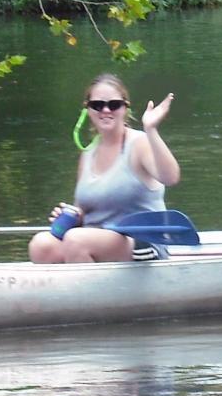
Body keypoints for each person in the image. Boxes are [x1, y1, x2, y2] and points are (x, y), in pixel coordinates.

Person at [28, 74, 180, 263]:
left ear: (125, 108)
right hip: (94, 240)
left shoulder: (139, 143)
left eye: (114, 104)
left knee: (76, 240)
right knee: (42, 245)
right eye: (97, 105)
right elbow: (82, 208)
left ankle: (87, 282)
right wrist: (72, 215)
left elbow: (171, 177)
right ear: (87, 110)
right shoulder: (88, 153)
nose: (106, 110)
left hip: (142, 243)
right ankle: (71, 282)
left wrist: (151, 130)